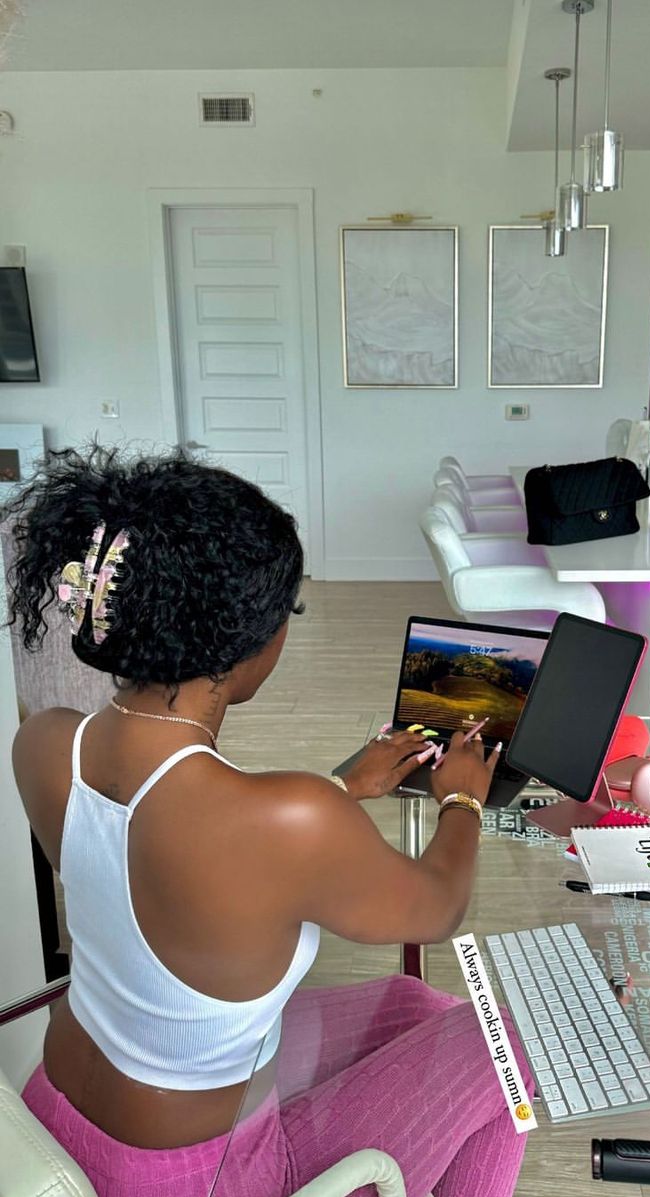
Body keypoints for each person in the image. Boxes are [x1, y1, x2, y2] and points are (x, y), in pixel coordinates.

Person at [6, 447, 532, 1197]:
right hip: (201, 1175)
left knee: (414, 1005)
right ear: (244, 641)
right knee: (508, 1045)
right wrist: (464, 797)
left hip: (59, 1109)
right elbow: (439, 904)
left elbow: (180, 852)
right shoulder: (287, 821)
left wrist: (344, 786)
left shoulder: (46, 742)